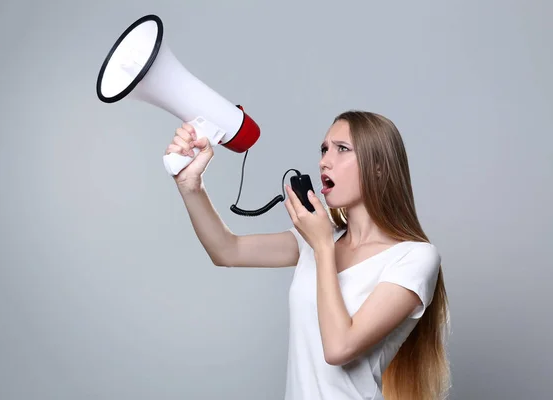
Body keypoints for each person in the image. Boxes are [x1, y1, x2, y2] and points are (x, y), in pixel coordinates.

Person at [165, 110, 451, 400]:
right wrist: (191, 186)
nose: (324, 161)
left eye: (342, 149)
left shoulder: (414, 258)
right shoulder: (319, 237)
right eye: (324, 149)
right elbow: (227, 250)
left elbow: (339, 348)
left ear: (378, 167)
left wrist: (323, 246)